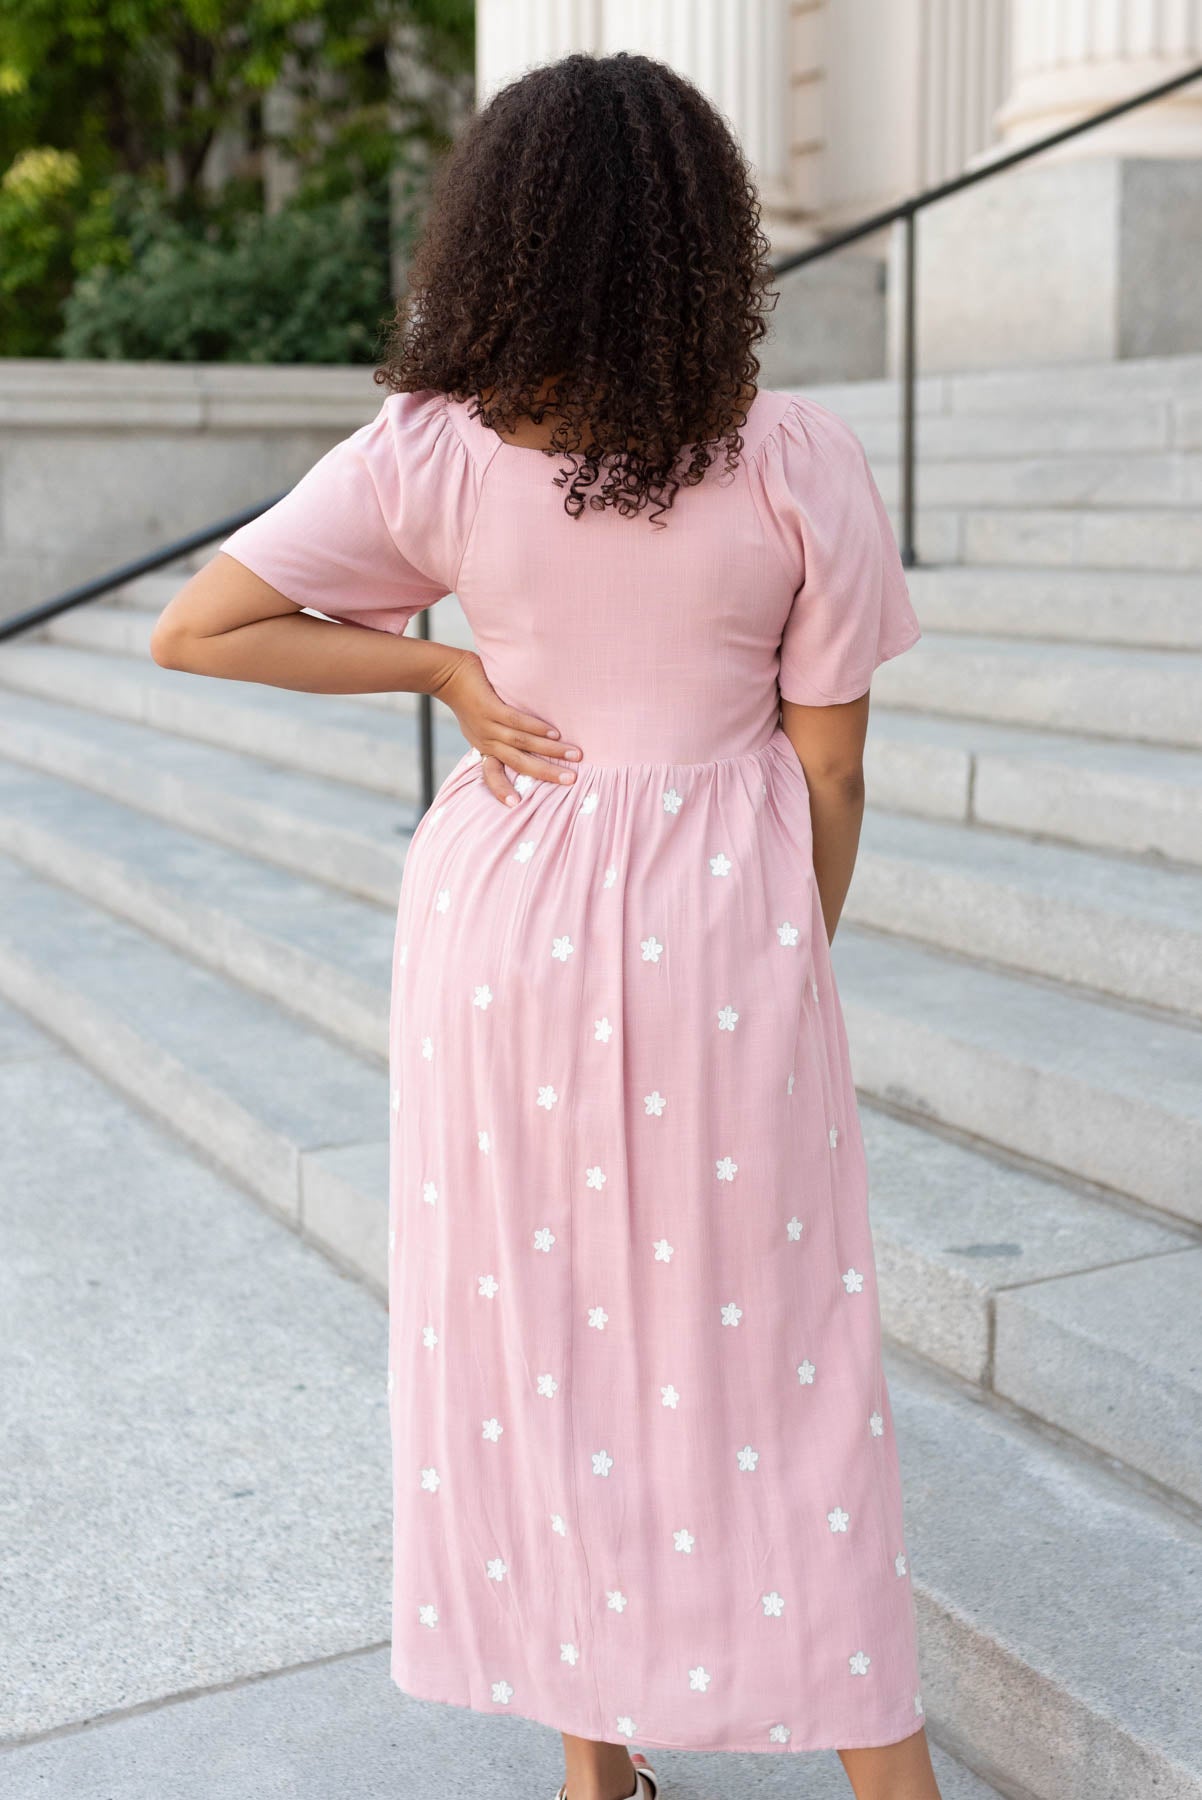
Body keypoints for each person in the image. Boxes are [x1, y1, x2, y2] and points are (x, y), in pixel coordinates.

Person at [151, 48, 940, 1800]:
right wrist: (783, 957)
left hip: (502, 923)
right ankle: (883, 1774)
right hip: (724, 930)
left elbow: (198, 627)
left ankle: (599, 1769)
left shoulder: (430, 452)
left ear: (497, 237)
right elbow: (831, 779)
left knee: (541, 1321)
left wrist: (437, 658)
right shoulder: (793, 456)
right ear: (700, 239)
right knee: (784, 1350)